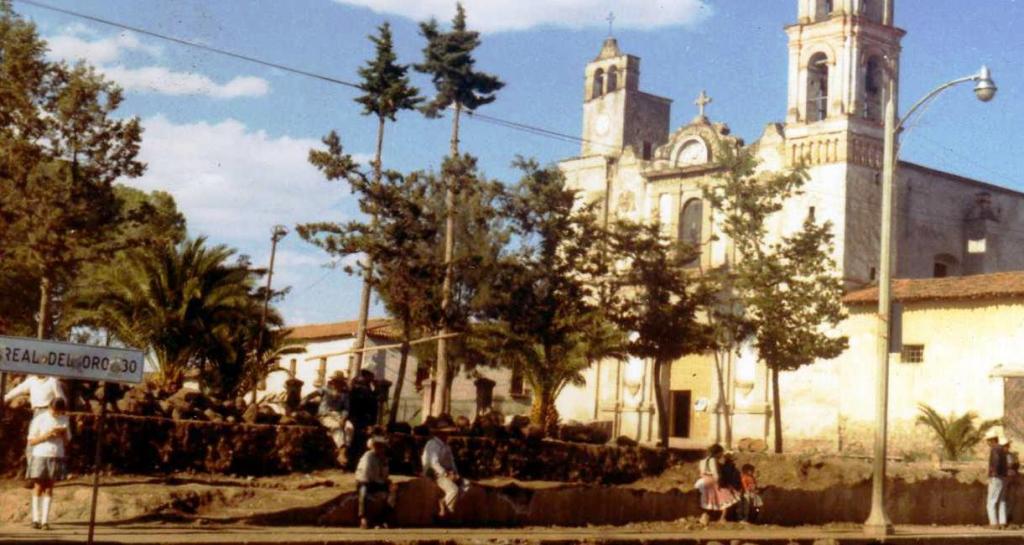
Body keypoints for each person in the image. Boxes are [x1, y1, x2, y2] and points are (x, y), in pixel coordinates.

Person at [26, 398, 70, 530]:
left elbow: (67, 441)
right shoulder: (40, 419)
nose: (56, 413)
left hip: (56, 455)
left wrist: (63, 434)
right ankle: (35, 519)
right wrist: (47, 435)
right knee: (39, 486)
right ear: (50, 407)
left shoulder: (64, 419)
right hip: (41, 454)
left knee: (50, 487)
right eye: (54, 411)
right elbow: (31, 441)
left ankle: (45, 521)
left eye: (59, 411)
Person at [5, 375, 66, 470]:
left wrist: (58, 415)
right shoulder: (32, 380)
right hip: (36, 412)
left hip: (50, 413)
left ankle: (45, 472)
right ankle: (33, 471)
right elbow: (18, 390)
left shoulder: (52, 381)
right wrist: (5, 398)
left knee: (45, 443)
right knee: (32, 442)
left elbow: (61, 399)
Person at [421, 426, 468, 517]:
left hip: (445, 471)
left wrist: (455, 473)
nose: (448, 435)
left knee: (466, 484)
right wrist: (446, 474)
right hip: (433, 472)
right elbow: (434, 463)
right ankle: (446, 509)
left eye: (448, 432)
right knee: (453, 489)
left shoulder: (446, 445)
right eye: (446, 432)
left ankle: (445, 503)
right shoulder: (432, 444)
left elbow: (451, 461)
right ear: (440, 433)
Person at [355, 435, 396, 529]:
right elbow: (367, 475)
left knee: (393, 492)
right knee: (364, 491)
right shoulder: (368, 457)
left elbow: (385, 475)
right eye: (378, 446)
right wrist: (381, 481)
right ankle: (363, 519)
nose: (381, 448)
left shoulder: (384, 458)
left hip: (378, 482)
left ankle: (383, 519)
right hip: (366, 481)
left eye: (382, 446)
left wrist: (387, 481)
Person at [694, 444, 740, 526]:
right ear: (718, 453)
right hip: (713, 481)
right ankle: (722, 518)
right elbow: (716, 474)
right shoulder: (713, 460)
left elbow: (701, 473)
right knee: (727, 498)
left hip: (704, 481)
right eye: (721, 453)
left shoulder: (702, 461)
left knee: (707, 501)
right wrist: (719, 484)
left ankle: (704, 517)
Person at [986, 430, 1008, 528]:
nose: (987, 443)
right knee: (1002, 500)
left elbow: (996, 461)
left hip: (996, 477)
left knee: (991, 501)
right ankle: (1003, 522)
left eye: (988, 440)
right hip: (1003, 477)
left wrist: (993, 473)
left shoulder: (994, 449)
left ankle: (993, 523)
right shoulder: (1002, 449)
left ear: (992, 440)